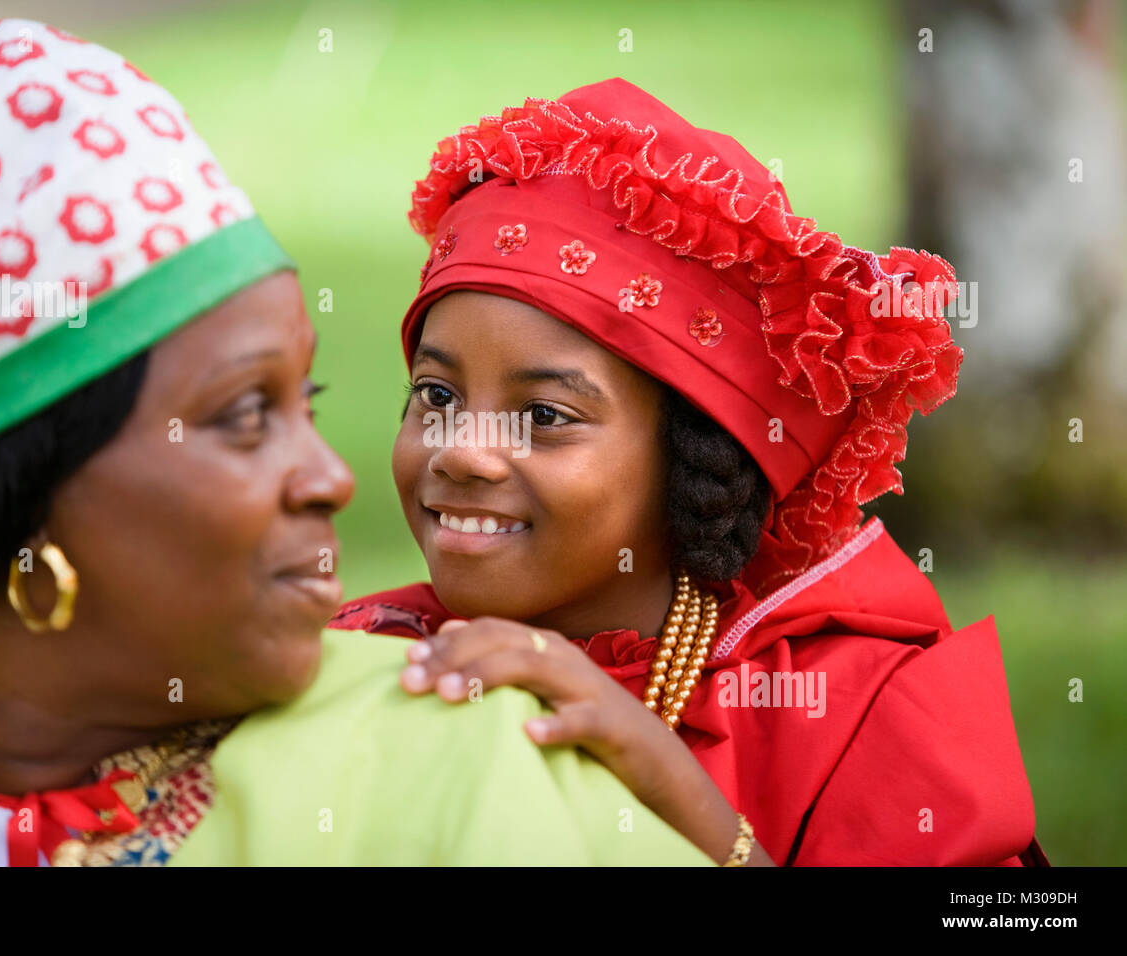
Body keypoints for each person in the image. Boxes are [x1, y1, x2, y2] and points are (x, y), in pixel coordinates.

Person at [0, 23, 711, 867]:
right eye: (247, 414)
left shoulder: (452, 753)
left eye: (308, 404)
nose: (332, 477)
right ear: (14, 483)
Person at [331, 78, 1048, 866]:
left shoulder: (859, 715)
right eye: (435, 395)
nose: (461, 450)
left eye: (543, 416)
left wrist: (686, 806)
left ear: (693, 456)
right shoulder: (360, 666)